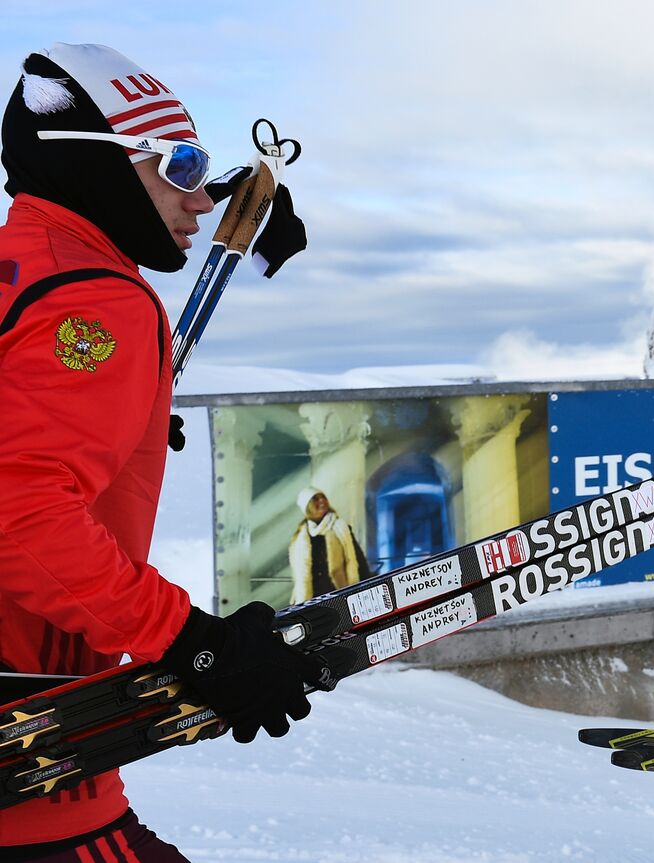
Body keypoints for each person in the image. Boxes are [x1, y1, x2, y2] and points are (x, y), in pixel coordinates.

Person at [0, 43, 330, 858]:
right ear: (96, 167)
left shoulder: (22, 266)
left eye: (206, 170)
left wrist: (125, 423)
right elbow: (20, 514)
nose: (196, 193)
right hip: (36, 772)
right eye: (180, 163)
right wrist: (191, 641)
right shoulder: (95, 298)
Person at [289, 488, 371, 604]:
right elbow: (299, 575)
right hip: (312, 600)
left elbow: (359, 560)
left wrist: (366, 587)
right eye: (315, 499)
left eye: (323, 497)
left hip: (340, 594)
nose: (322, 501)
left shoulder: (341, 528)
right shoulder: (300, 537)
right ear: (307, 506)